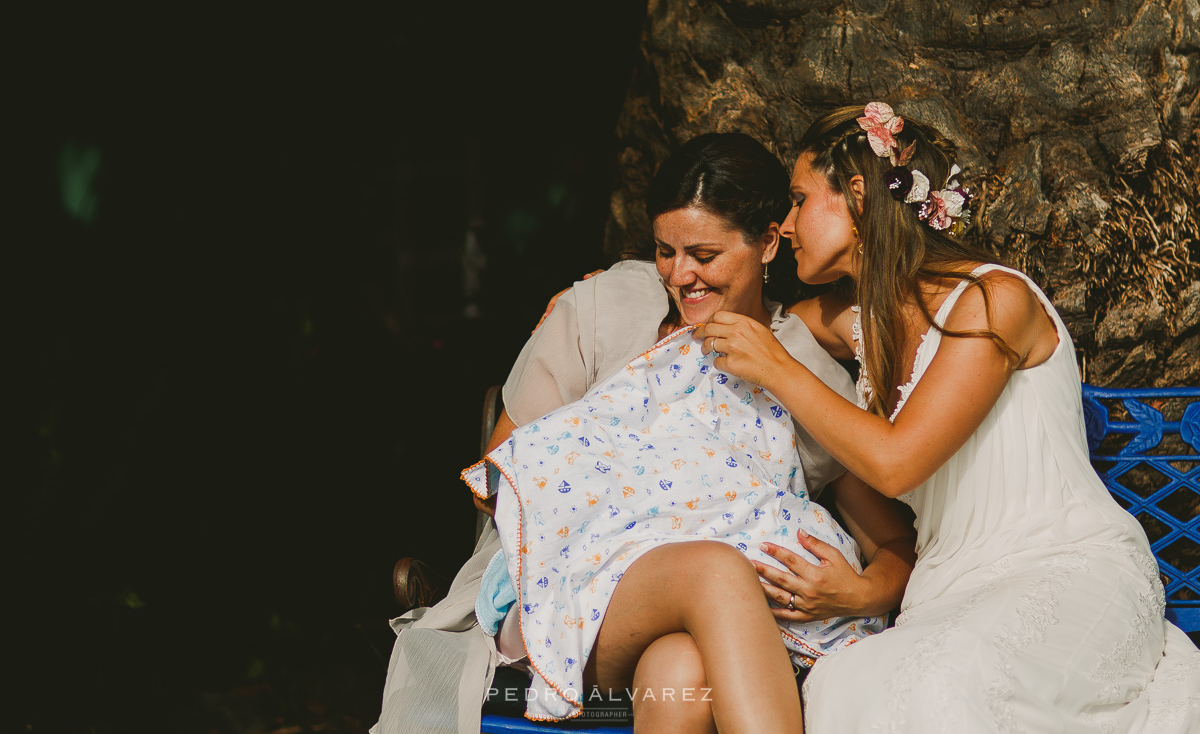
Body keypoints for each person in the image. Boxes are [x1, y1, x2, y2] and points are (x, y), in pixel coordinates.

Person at [374, 132, 917, 734]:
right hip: (566, 600)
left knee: (682, 676)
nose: (680, 275)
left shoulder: (798, 366)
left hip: (699, 631)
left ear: (767, 242)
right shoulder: (607, 305)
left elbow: (891, 546)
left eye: (704, 256)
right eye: (665, 251)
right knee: (714, 570)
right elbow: (504, 472)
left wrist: (861, 596)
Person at [697, 103, 1200, 732]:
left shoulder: (994, 300)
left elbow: (895, 459)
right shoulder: (860, 320)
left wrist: (777, 368)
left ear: (857, 195)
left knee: (946, 681)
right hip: (944, 593)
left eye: (799, 200)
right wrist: (627, 286)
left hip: (1064, 570)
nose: (788, 224)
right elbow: (750, 324)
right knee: (847, 680)